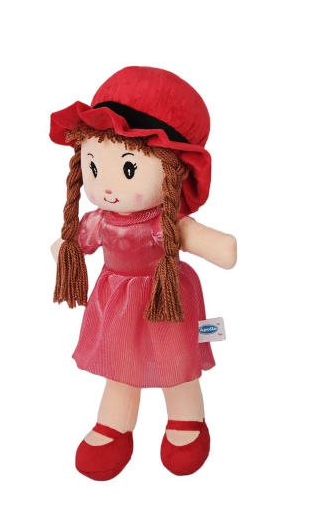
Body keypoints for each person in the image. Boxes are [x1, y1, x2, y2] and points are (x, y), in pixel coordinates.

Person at [50, 66, 237, 480]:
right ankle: (114, 423)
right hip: (116, 303)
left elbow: (213, 245)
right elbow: (73, 244)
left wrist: (218, 245)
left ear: (171, 170)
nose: (107, 187)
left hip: (164, 299)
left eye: (129, 169)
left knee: (175, 361)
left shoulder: (161, 225)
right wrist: (64, 252)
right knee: (120, 363)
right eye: (94, 167)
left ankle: (186, 418)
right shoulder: (101, 220)